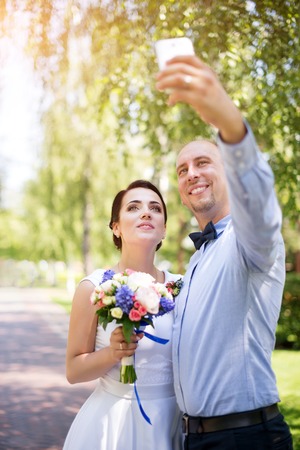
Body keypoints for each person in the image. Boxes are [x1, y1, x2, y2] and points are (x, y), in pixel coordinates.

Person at [155, 55, 293, 449]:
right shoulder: (197, 260)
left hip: (246, 438)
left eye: (202, 162)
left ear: (228, 172)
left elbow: (261, 206)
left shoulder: (250, 240)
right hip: (191, 437)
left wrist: (231, 128)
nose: (191, 174)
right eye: (182, 170)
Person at [63, 179, 183, 450]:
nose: (146, 212)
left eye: (155, 208)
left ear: (163, 229)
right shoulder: (93, 288)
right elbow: (73, 371)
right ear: (115, 227)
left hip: (172, 422)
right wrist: (113, 353)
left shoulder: (181, 287)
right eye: (133, 207)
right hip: (111, 421)